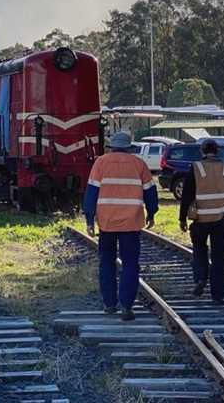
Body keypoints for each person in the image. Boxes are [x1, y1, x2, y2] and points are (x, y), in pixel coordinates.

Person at [84, 131, 158, 321]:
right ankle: (126, 306)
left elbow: (91, 192)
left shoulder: (100, 163)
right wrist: (151, 212)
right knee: (131, 264)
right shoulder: (139, 164)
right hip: (131, 223)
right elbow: (150, 192)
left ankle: (109, 304)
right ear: (129, 147)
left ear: (112, 146)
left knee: (106, 262)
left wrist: (89, 219)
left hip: (107, 222)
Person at [179, 139, 224, 305]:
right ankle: (217, 295)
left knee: (199, 250)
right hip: (222, 220)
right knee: (220, 257)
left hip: (200, 220)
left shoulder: (196, 168)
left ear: (202, 151)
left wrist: (182, 218)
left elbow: (187, 195)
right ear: (218, 151)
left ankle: (200, 277)